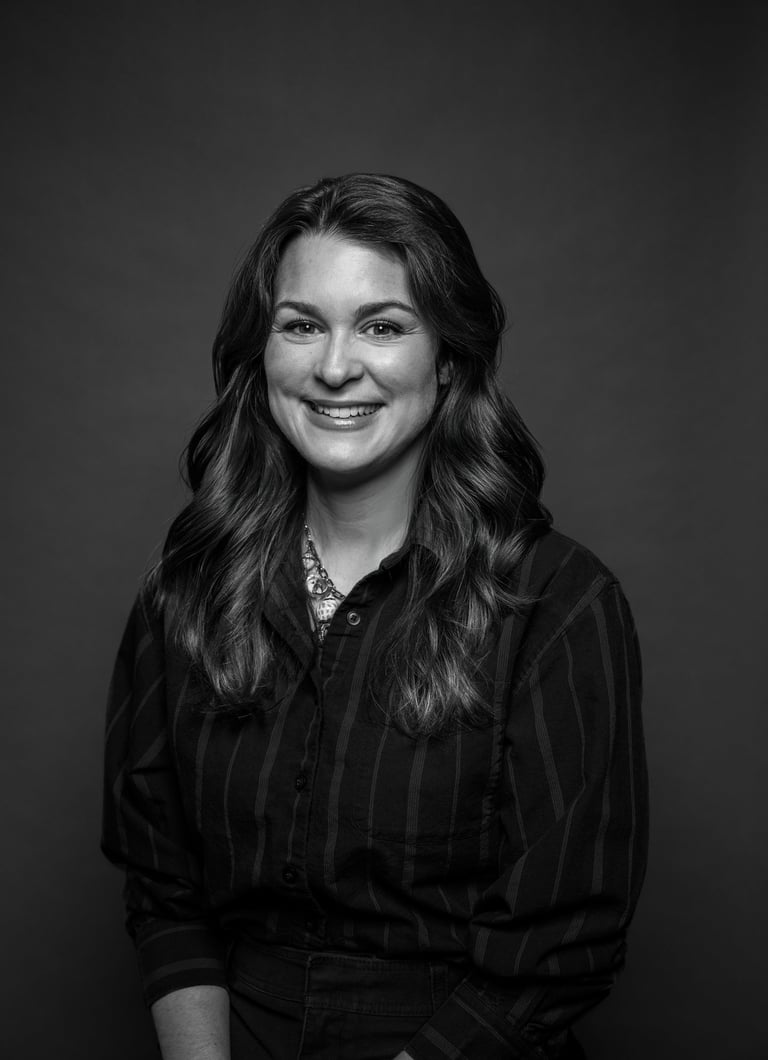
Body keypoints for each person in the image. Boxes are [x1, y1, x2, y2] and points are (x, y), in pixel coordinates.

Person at [101, 173, 648, 1060]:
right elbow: (165, 892)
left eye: (383, 325)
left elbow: (558, 946)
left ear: (449, 356)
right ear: (262, 352)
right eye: (301, 324)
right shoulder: (187, 590)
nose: (333, 366)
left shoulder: (558, 601)